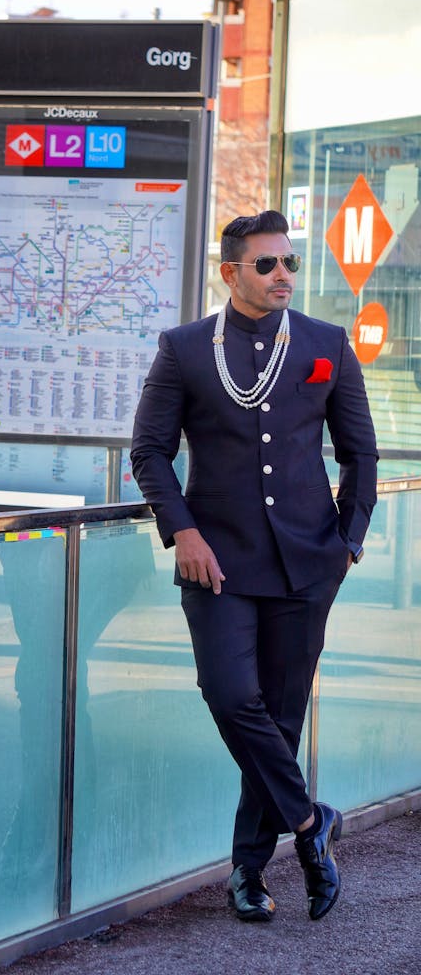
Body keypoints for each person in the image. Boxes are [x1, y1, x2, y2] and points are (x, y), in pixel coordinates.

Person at [130, 210, 378, 923]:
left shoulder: (327, 344)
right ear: (230, 270)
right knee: (230, 694)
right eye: (267, 264)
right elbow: (148, 450)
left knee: (280, 718)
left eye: (290, 263)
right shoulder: (182, 349)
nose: (283, 276)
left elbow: (361, 452)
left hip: (308, 564)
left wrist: (349, 541)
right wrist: (182, 532)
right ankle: (309, 826)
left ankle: (247, 874)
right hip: (217, 563)